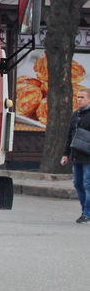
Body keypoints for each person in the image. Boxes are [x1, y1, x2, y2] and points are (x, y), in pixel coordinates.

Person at [61, 87, 90, 224]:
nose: (79, 100)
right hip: (76, 155)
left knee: (87, 184)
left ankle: (87, 214)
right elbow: (69, 136)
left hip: (88, 156)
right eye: (78, 97)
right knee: (78, 184)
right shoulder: (75, 115)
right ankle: (84, 210)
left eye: (82, 97)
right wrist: (65, 154)